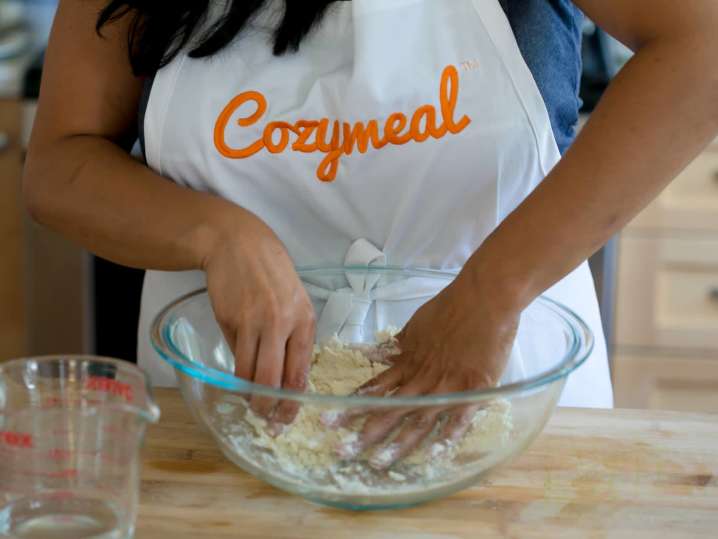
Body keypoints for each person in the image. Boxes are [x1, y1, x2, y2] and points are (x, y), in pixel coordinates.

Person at [23, 0, 718, 464]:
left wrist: (494, 289)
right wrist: (217, 233)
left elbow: (704, 46)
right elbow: (59, 160)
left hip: (507, 397)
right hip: (227, 415)